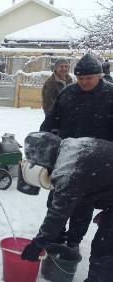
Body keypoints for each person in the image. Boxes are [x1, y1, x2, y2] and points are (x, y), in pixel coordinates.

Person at [40, 53, 113, 251]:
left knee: (83, 205)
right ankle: (55, 237)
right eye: (80, 78)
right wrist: (45, 141)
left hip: (97, 163)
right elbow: (50, 122)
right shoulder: (68, 93)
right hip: (66, 158)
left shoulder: (110, 95)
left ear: (99, 75)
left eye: (88, 78)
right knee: (57, 200)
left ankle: (73, 241)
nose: (84, 82)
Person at [21, 132, 113, 281]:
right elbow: (96, 178)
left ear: (45, 158)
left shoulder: (68, 171)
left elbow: (58, 214)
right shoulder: (72, 145)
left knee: (105, 252)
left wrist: (38, 243)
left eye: (41, 164)